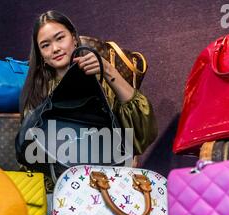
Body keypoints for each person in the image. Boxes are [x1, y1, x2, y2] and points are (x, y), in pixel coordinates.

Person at [19, 10, 158, 192]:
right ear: (41, 54)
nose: (55, 48)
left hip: (109, 184)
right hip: (59, 189)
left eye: (60, 38)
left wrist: (107, 69)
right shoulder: (36, 93)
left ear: (74, 39)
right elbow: (30, 154)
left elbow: (142, 134)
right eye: (45, 45)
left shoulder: (101, 82)